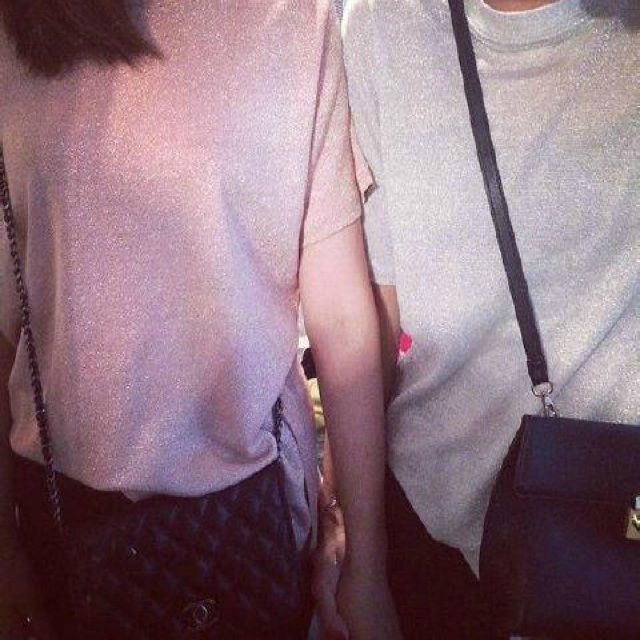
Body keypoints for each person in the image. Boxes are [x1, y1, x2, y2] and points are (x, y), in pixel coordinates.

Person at [0, 1, 401, 639]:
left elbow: (344, 325)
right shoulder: (14, 29)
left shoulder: (293, 18)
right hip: (63, 521)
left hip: (256, 513)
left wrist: (365, 570)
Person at [334, 0, 640, 637]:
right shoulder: (384, 25)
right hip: (429, 536)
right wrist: (357, 556)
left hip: (615, 540)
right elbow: (378, 319)